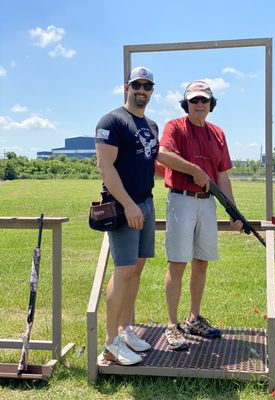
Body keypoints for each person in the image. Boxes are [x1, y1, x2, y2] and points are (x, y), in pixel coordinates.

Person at [157, 80, 243, 350]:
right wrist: (194, 170)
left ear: (211, 105)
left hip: (208, 203)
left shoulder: (218, 133)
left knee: (201, 262)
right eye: (194, 100)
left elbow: (222, 175)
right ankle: (172, 325)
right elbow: (162, 154)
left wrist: (233, 210)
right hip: (181, 199)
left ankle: (193, 318)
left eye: (204, 100)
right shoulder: (175, 127)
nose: (199, 104)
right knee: (178, 264)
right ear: (186, 104)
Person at [95, 66, 159, 365]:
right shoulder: (112, 121)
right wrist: (129, 205)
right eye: (137, 85)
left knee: (136, 270)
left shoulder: (151, 125)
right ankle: (110, 342)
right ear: (127, 87)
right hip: (124, 207)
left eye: (147, 86)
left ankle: (124, 329)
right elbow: (105, 168)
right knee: (122, 271)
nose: (141, 90)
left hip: (146, 203)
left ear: (152, 91)